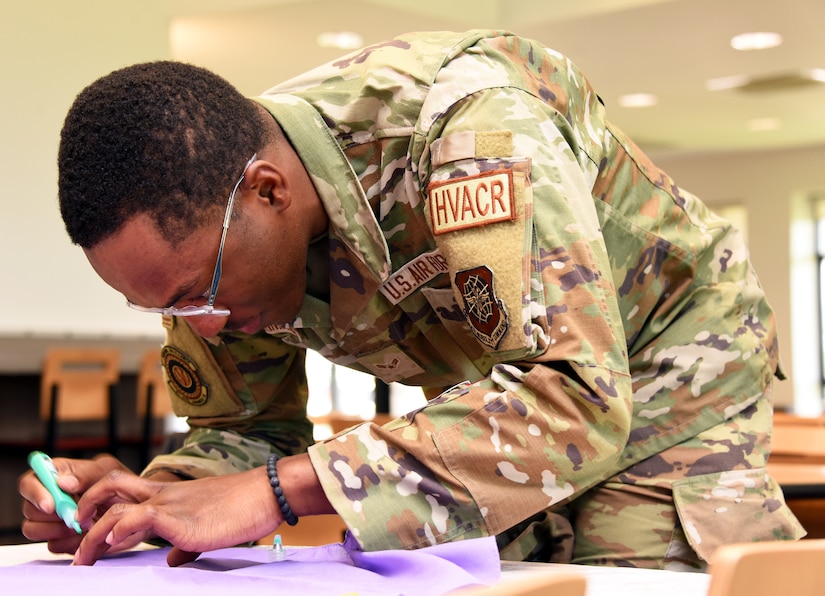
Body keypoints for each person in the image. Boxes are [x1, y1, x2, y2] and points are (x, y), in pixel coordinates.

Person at [19, 29, 803, 569]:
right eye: (165, 308)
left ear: (268, 192)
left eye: (199, 294)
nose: (205, 325)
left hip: (663, 362)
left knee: (630, 569)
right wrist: (160, 496)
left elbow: (574, 399)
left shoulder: (464, 132)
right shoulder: (211, 249)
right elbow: (250, 431)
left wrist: (279, 490)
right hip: (502, 385)